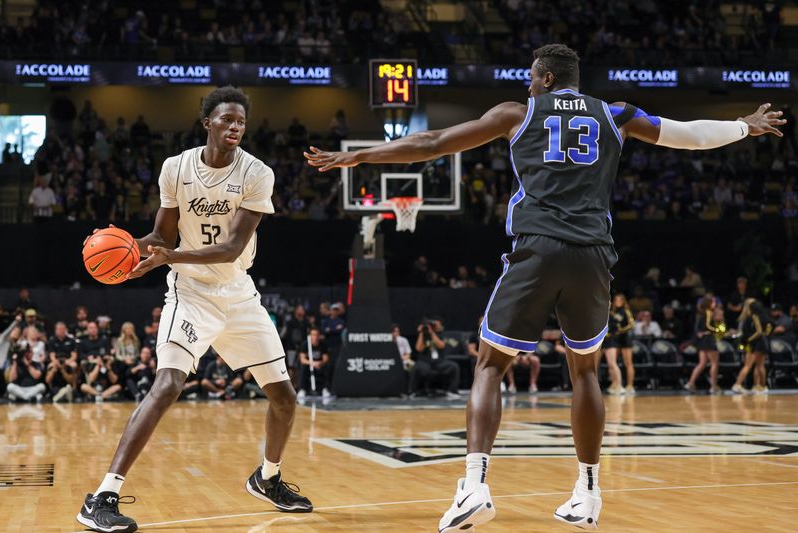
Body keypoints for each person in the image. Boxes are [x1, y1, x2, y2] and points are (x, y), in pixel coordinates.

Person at [304, 43, 784, 531]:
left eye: (532, 77)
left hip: (538, 247)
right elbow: (690, 136)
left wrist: (359, 155)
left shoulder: (517, 113)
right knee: (585, 371)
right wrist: (744, 126)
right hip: (593, 254)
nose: (528, 84)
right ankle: (587, 494)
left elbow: (433, 142)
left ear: (547, 78)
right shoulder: (616, 113)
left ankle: (474, 487)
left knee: (490, 365)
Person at [76, 86, 312, 533]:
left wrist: (170, 255)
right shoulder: (176, 168)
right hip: (190, 293)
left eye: (241, 121)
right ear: (207, 123)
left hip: (238, 292)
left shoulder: (257, 173)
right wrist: (124, 247)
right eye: (226, 119)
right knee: (167, 383)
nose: (235, 126)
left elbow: (232, 247)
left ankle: (268, 478)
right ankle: (102, 496)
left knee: (284, 398)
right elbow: (162, 236)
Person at [411, 317, 460, 399]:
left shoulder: (440, 335)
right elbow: (419, 348)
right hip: (425, 361)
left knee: (454, 366)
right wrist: (421, 333)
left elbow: (441, 345)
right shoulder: (423, 335)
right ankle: (414, 391)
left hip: (439, 361)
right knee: (416, 367)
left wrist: (432, 333)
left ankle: (452, 391)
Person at [685, 297, 724, 394]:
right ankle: (713, 386)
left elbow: (698, 328)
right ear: (709, 304)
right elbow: (708, 326)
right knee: (714, 363)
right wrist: (717, 330)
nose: (715, 304)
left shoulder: (700, 314)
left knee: (702, 363)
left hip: (702, 340)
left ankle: (691, 383)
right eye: (713, 302)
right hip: (708, 340)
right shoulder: (709, 313)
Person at [732, 299, 770, 394]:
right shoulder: (756, 316)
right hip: (757, 343)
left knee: (754, 365)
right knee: (757, 366)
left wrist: (747, 341)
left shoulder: (746, 318)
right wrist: (750, 339)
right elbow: (761, 331)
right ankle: (739, 385)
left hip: (750, 343)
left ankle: (757, 386)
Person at [602, 293, 635, 395]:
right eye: (616, 300)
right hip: (615, 339)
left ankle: (630, 385)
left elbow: (632, 324)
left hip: (624, 339)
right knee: (612, 363)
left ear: (623, 301)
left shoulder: (626, 311)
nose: (618, 302)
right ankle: (614, 383)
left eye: (620, 300)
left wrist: (621, 330)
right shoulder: (612, 312)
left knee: (628, 363)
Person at [296, 327, 331, 399]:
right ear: (310, 336)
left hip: (319, 365)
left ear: (319, 336)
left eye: (317, 335)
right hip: (309, 364)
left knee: (327, 367)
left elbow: (325, 359)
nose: (315, 337)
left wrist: (320, 363)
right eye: (313, 335)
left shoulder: (323, 344)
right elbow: (302, 359)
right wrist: (312, 363)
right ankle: (302, 389)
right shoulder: (305, 344)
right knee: (303, 367)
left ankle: (325, 389)